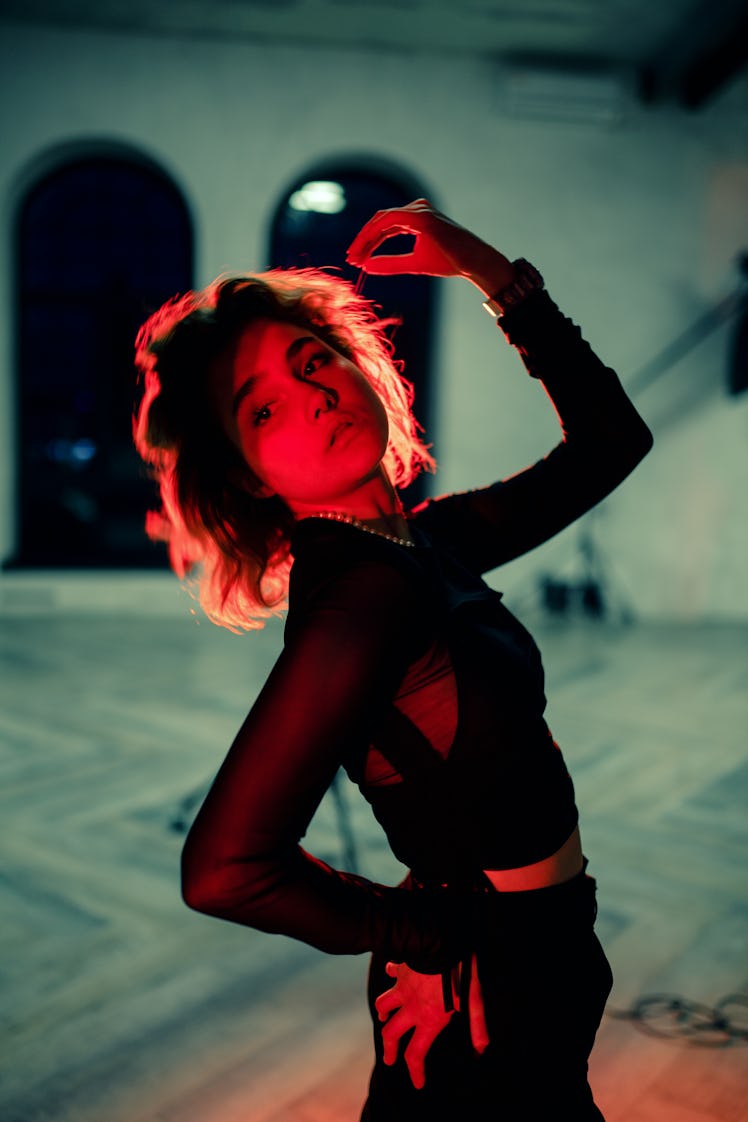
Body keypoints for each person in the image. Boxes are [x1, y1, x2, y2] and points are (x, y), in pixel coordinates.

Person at [133, 199, 653, 1120]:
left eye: (314, 361)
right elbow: (224, 868)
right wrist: (433, 934)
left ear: (358, 363)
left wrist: (489, 274)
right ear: (251, 473)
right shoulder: (361, 598)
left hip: (542, 943)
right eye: (265, 409)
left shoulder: (420, 547)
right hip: (483, 982)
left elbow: (613, 443)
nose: (317, 396)